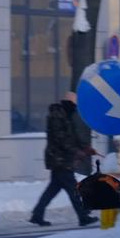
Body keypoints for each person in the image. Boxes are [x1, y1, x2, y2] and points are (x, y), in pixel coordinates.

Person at [30, 93, 96, 227]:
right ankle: (83, 216)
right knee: (73, 189)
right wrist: (77, 151)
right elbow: (61, 139)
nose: (75, 110)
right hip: (59, 159)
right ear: (68, 104)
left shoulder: (65, 115)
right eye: (74, 106)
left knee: (52, 189)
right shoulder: (57, 116)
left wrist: (85, 147)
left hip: (61, 159)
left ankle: (37, 214)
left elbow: (71, 137)